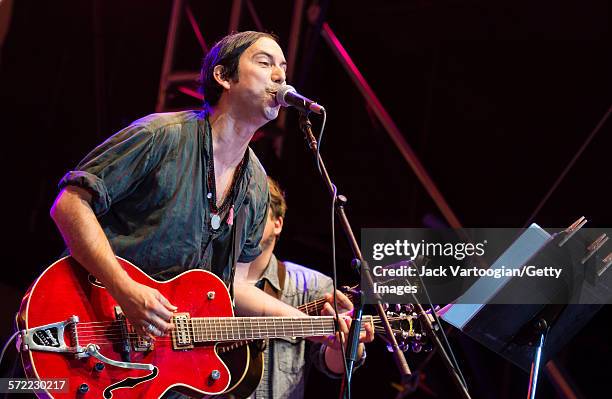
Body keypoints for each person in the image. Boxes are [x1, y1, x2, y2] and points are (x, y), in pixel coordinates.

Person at [240, 177, 374, 399]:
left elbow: (331, 366)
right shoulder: (206, 276)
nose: (245, 220)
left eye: (256, 211)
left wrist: (348, 344)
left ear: (278, 223)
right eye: (241, 210)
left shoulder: (311, 285)